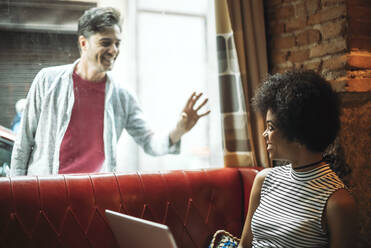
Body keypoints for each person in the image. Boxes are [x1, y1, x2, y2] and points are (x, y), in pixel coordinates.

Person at [10, 7, 209, 176]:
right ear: (83, 43)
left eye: (117, 43)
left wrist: (179, 130)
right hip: (45, 194)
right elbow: (23, 144)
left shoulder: (123, 96)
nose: (114, 50)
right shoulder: (48, 80)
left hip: (93, 197)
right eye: (106, 43)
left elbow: (150, 143)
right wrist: (16, 197)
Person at [238, 71, 357, 248]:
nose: (265, 134)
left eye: (271, 127)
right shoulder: (264, 180)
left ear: (298, 134)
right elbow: (244, 245)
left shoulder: (337, 202)